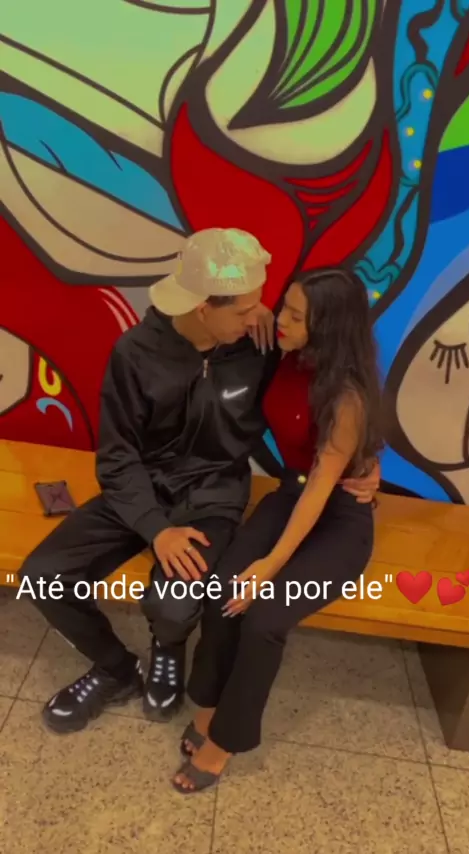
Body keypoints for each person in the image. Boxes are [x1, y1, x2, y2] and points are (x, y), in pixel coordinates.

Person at [19, 232, 378, 735]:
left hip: (213, 497)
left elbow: (335, 396)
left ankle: (168, 648)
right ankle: (116, 670)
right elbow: (118, 459)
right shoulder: (135, 353)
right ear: (204, 308)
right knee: (43, 576)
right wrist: (156, 528)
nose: (262, 317)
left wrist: (365, 460)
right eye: (247, 309)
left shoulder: (263, 346)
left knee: (174, 606)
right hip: (140, 491)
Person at [171, 267, 384, 794]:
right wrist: (268, 313)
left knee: (263, 619)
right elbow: (258, 318)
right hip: (291, 491)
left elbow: (321, 491)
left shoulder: (347, 398)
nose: (280, 319)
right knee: (222, 591)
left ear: (327, 328)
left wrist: (269, 566)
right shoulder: (287, 349)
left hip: (337, 518)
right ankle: (209, 706)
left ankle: (226, 740)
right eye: (283, 306)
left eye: (296, 315)